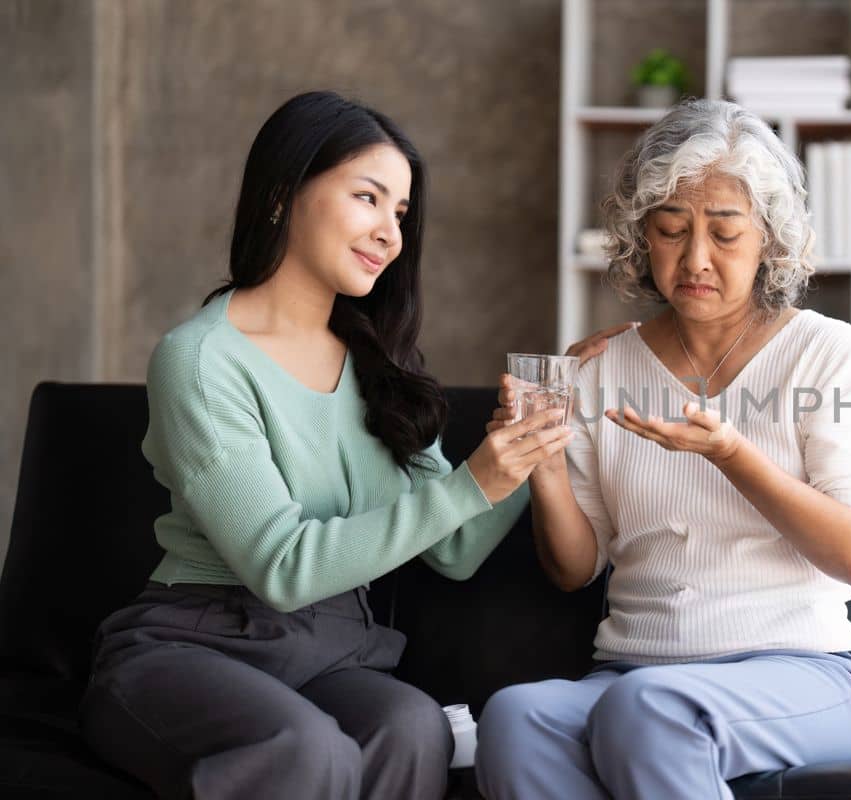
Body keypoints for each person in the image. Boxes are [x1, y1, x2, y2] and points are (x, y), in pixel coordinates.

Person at [77, 90, 627, 800]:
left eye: (400, 214)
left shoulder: (376, 362)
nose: (391, 234)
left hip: (330, 649)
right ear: (281, 194)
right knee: (304, 749)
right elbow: (281, 568)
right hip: (193, 642)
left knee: (412, 725)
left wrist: (526, 439)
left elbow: (453, 550)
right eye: (368, 198)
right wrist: (475, 481)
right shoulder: (201, 359)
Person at [474, 98, 851, 800]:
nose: (695, 258)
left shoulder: (828, 355)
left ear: (769, 238)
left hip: (800, 669)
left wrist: (731, 453)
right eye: (671, 230)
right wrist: (544, 463)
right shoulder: (602, 369)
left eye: (725, 234)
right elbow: (574, 569)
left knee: (648, 712)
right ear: (642, 238)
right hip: (631, 673)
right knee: (517, 716)